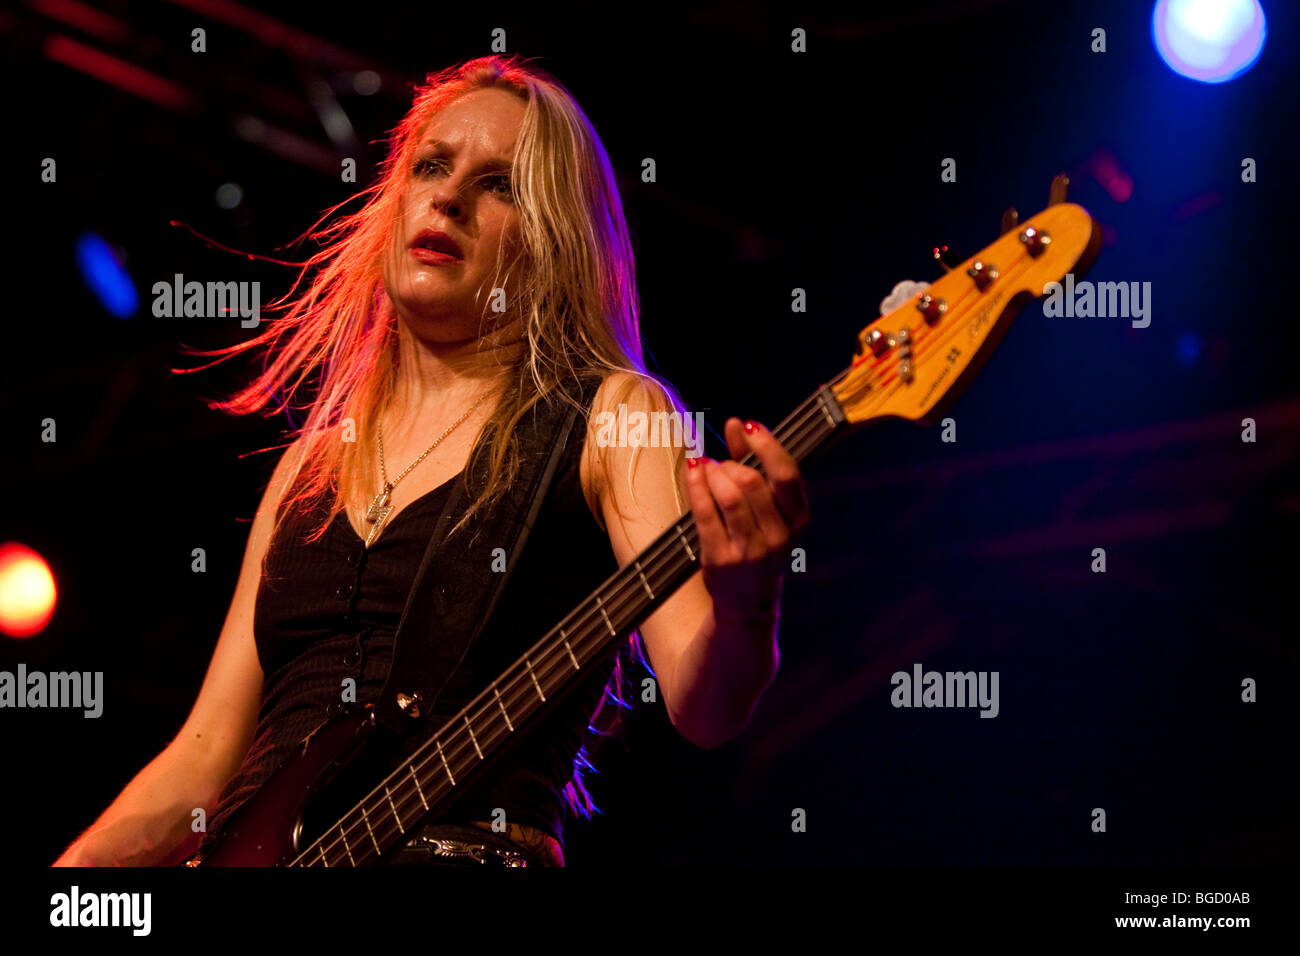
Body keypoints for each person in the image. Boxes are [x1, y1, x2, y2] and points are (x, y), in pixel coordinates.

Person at [52, 54, 808, 868]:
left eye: (501, 185)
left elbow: (707, 704)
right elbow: (202, 767)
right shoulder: (307, 470)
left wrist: (748, 602)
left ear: (555, 241)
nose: (448, 196)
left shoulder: (615, 415)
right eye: (432, 167)